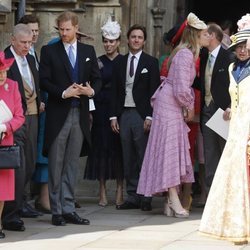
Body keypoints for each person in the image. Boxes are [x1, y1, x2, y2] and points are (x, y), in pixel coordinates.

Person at [136, 13, 208, 218]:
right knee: (170, 151)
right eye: (204, 34)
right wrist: (190, 105)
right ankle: (174, 198)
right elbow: (180, 88)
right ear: (195, 35)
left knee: (173, 150)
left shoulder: (186, 53)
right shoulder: (186, 54)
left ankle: (170, 200)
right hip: (170, 104)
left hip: (169, 103)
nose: (207, 37)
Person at [39, 11, 102, 226]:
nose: (64, 33)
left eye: (67, 29)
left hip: (80, 114)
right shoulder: (49, 51)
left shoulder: (88, 50)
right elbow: (44, 81)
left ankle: (68, 207)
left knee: (72, 164)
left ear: (76, 28)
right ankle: (56, 210)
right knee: (56, 163)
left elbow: (97, 79)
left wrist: (90, 92)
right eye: (61, 30)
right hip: (59, 114)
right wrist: (63, 93)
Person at [199, 21, 250, 245]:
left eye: (246, 45)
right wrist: (230, 108)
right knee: (231, 173)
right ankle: (234, 222)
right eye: (239, 46)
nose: (242, 49)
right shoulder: (232, 68)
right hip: (235, 125)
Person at [110, 24, 160, 211]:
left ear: (144, 41)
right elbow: (114, 91)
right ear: (128, 39)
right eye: (133, 37)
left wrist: (150, 116)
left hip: (142, 114)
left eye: (140, 37)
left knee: (143, 154)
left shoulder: (151, 62)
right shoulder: (119, 63)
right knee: (128, 155)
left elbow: (154, 90)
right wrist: (113, 116)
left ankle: (146, 195)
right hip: (124, 113)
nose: (136, 40)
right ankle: (133, 195)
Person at [2, 23, 41, 232]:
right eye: (23, 42)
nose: (27, 46)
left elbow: (36, 82)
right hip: (10, 122)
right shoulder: (4, 61)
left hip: (31, 116)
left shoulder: (31, 59)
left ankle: (20, 204)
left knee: (29, 164)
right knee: (16, 168)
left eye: (29, 42)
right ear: (13, 40)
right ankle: (11, 214)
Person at [84, 17, 124, 207]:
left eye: (112, 41)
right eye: (106, 41)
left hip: (118, 108)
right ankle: (101, 190)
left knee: (118, 149)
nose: (108, 44)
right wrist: (90, 111)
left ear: (118, 42)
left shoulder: (124, 61)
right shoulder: (97, 61)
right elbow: (90, 86)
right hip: (100, 109)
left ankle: (119, 189)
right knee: (100, 148)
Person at [199, 23, 233, 193]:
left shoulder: (229, 57)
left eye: (203, 34)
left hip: (222, 112)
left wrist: (230, 106)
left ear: (212, 36)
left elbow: (236, 86)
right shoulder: (204, 55)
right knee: (209, 153)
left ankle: (227, 194)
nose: (200, 37)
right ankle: (213, 195)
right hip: (206, 109)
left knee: (225, 152)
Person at [0, 51, 25, 238]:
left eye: (5, 71)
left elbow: (20, 116)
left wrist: (5, 127)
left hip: (5, 142)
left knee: (2, 189)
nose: (2, 75)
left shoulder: (13, 86)